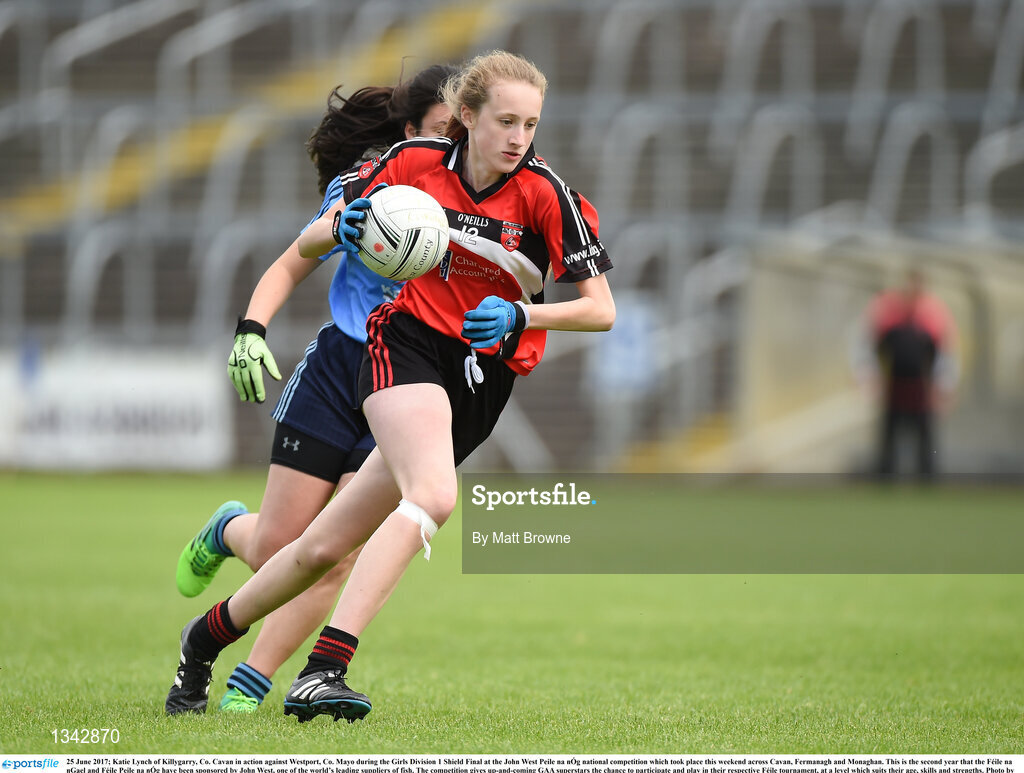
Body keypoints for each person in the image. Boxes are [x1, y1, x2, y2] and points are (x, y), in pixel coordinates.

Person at [164, 50, 615, 723]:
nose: (519, 137)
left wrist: (525, 312)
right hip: (402, 347)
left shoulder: (547, 196)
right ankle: (323, 668)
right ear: (467, 116)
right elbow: (323, 232)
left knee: (319, 549)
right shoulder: (413, 168)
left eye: (530, 123)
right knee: (432, 495)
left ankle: (203, 638)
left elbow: (600, 309)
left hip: (480, 382)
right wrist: (331, 236)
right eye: (505, 120)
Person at [167, 64, 458, 715]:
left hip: (404, 385)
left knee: (332, 553)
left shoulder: (479, 196)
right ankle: (227, 530)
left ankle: (251, 681)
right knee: (279, 551)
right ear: (409, 133)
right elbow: (305, 248)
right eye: (439, 132)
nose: (451, 146)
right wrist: (251, 328)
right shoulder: (376, 185)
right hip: (339, 372)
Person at [859, 267, 958, 478]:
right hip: (895, 385)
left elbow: (944, 354)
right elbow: (874, 348)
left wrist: (943, 386)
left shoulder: (933, 313)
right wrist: (870, 377)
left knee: (924, 437)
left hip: (920, 386)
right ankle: (886, 477)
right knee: (890, 435)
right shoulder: (889, 312)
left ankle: (927, 477)